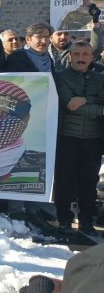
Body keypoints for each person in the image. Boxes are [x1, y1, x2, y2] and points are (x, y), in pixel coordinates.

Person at [53, 41, 104, 235]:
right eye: (77, 54)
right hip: (67, 137)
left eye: (85, 54)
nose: (81, 58)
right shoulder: (60, 78)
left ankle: (86, 222)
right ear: (70, 57)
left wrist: (85, 100)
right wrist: (99, 108)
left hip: (93, 139)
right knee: (65, 181)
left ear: (92, 57)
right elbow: (69, 105)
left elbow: (89, 102)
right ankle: (64, 219)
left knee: (89, 183)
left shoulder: (100, 80)